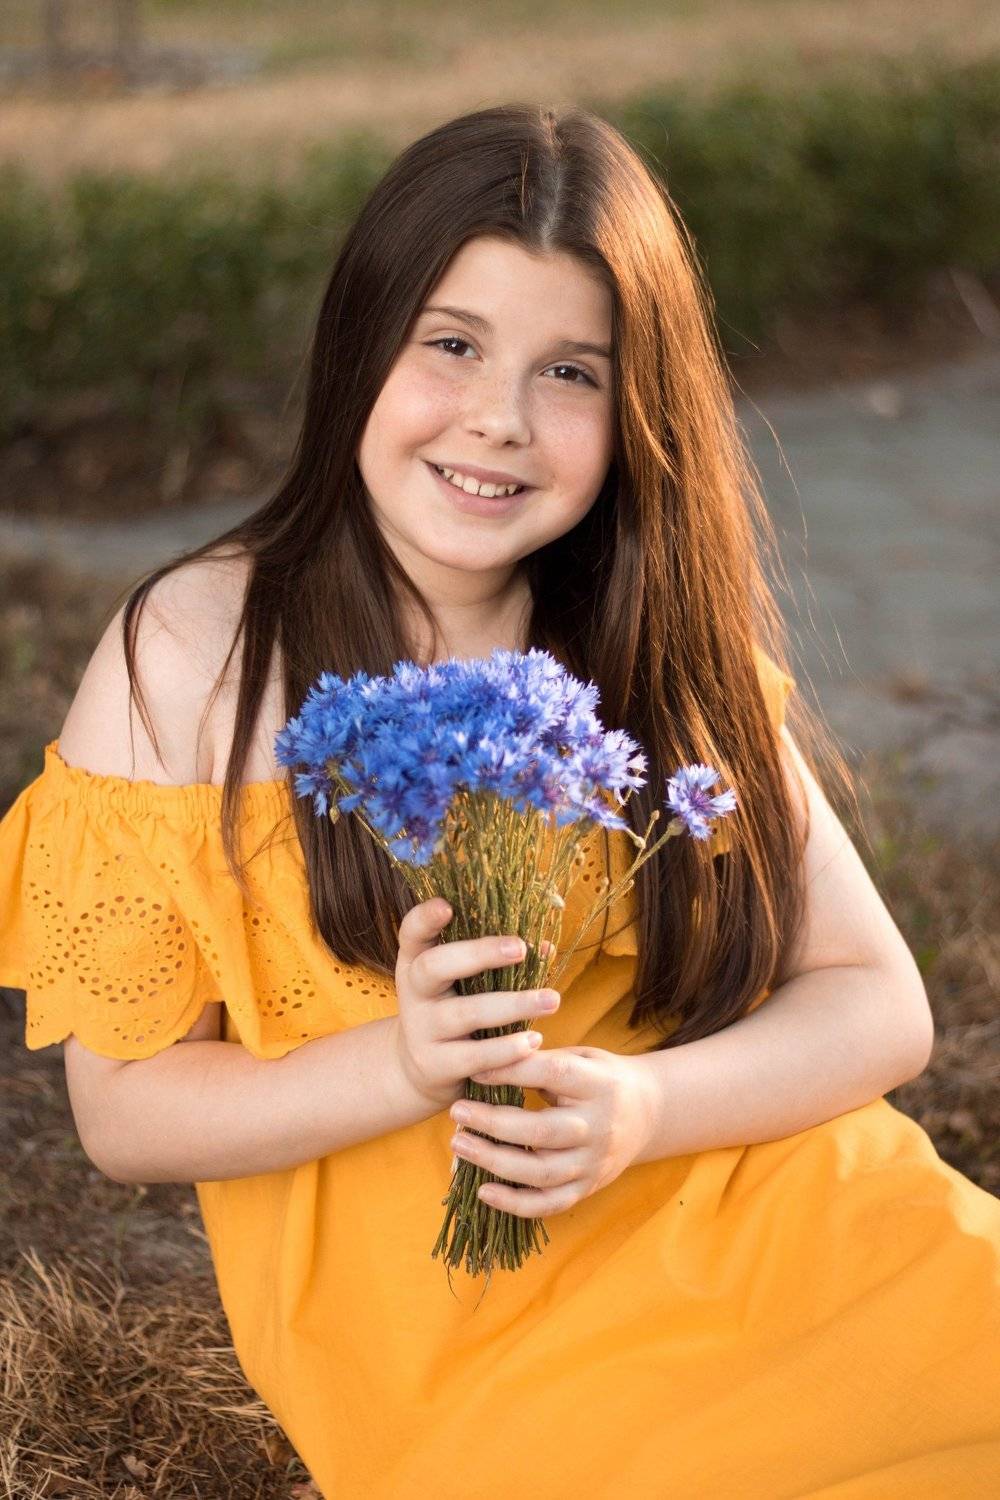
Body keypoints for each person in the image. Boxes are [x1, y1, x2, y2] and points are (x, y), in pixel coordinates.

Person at [1, 103, 997, 1498]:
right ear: (360, 343)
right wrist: (403, 1065)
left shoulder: (650, 644)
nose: (500, 420)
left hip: (798, 1221)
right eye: (453, 344)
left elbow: (879, 1004)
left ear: (637, 412)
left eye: (570, 371)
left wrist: (644, 1105)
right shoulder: (194, 656)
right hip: (473, 1363)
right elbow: (124, 1117)